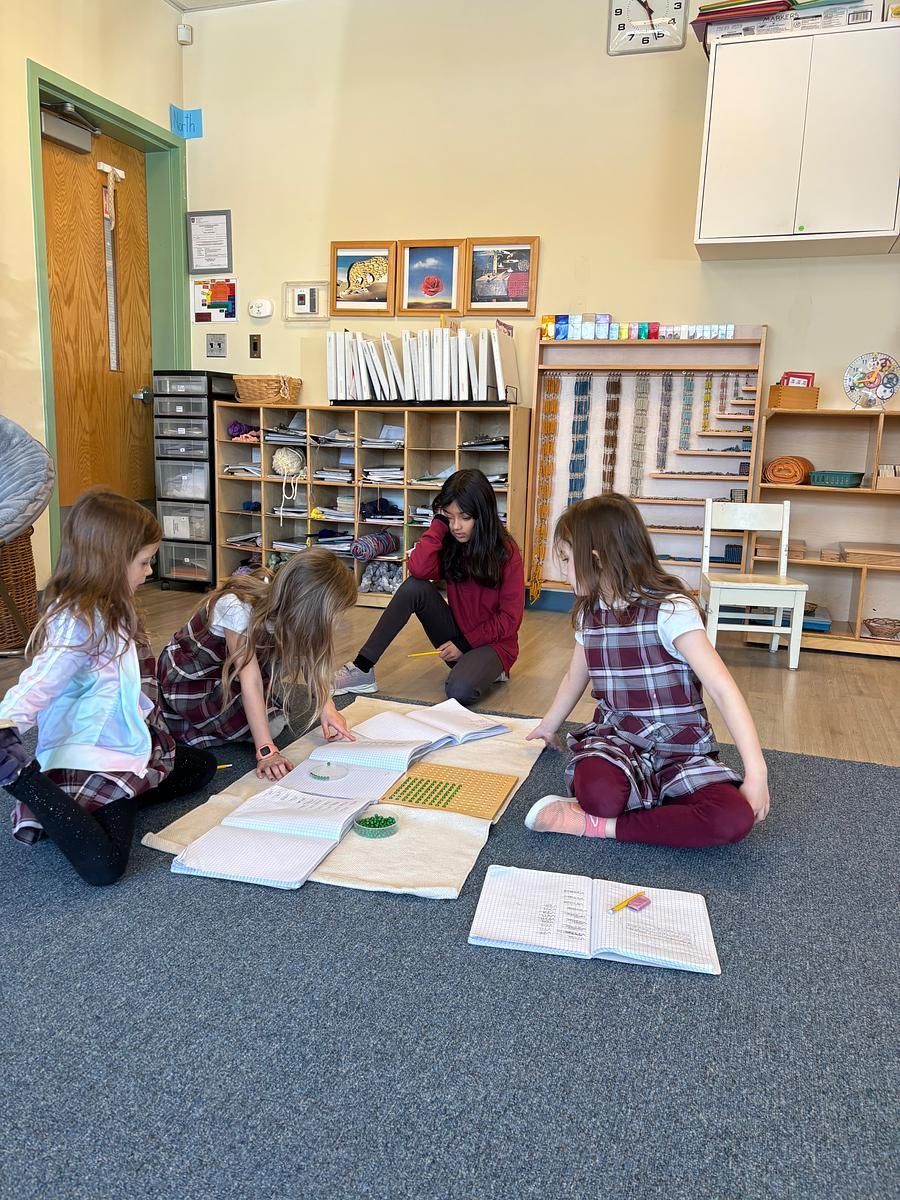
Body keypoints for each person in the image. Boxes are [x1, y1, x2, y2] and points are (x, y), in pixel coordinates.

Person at [524, 494, 769, 848]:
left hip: (679, 749)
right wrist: (547, 726)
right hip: (618, 740)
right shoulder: (587, 614)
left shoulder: (671, 611)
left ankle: (595, 826)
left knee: (732, 819)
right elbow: (574, 678)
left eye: (565, 559)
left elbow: (723, 690)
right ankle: (627, 812)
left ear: (596, 559)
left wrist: (756, 772)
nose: (561, 570)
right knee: (600, 796)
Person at [0, 488, 217, 885]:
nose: (149, 572)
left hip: (124, 742)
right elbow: (40, 681)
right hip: (92, 754)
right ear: (111, 561)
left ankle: (99, 807)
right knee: (105, 867)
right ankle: (23, 782)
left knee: (200, 769)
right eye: (144, 563)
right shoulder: (77, 620)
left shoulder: (113, 606)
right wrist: (5, 725)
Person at [158, 547, 358, 780]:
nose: (337, 621)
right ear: (309, 610)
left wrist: (328, 708)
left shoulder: (288, 609)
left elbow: (309, 659)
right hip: (194, 679)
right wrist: (266, 751)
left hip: (229, 672)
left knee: (273, 723)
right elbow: (250, 681)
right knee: (265, 728)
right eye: (335, 613)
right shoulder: (235, 607)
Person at [333, 469, 524, 707]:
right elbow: (419, 570)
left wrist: (464, 644)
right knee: (414, 587)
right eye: (450, 517)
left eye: (465, 517)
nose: (456, 526)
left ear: (482, 515)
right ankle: (362, 668)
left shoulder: (507, 552)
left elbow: (510, 619)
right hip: (456, 636)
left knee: (459, 691)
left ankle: (492, 671)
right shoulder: (451, 540)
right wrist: (438, 525)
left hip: (494, 645)